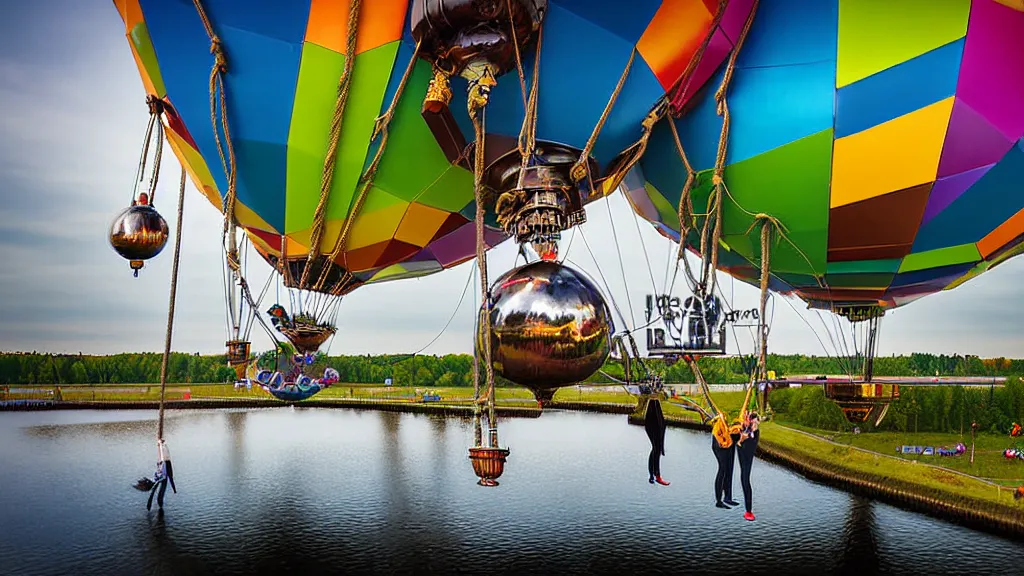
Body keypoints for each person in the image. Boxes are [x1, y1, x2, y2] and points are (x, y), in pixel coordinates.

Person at [736, 412, 761, 521]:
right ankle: (748, 511)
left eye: (755, 421)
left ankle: (749, 511)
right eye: (752, 421)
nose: (753, 423)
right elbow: (740, 443)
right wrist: (741, 439)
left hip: (747, 455)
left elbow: (751, 441)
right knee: (743, 480)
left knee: (745, 481)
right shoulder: (746, 430)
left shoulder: (754, 433)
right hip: (742, 452)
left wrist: (742, 439)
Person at [711, 416, 739, 508]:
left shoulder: (728, 418)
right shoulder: (720, 419)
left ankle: (728, 497)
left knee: (729, 470)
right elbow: (717, 433)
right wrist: (722, 442)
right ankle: (718, 500)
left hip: (730, 442)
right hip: (721, 445)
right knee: (722, 469)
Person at [644, 399, 670, 486]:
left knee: (656, 449)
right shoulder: (653, 401)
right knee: (656, 449)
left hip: (655, 422)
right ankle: (655, 475)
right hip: (653, 423)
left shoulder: (655, 402)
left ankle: (653, 475)